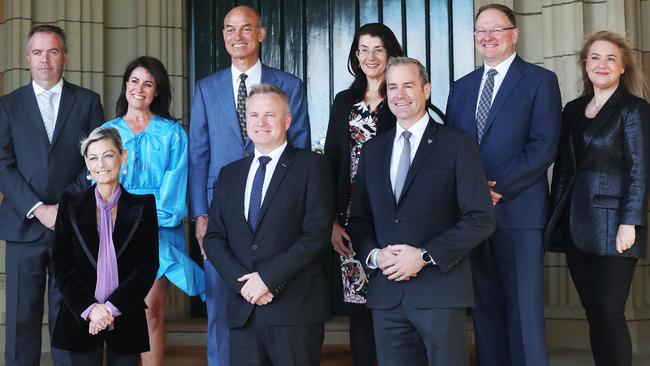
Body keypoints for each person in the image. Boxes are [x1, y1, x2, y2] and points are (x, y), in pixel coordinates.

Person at [348, 56, 495, 366]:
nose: (399, 95)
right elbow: (359, 218)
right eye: (392, 88)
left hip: (439, 293)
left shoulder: (457, 144)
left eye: (408, 86)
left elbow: (480, 219)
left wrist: (424, 255)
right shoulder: (374, 150)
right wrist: (374, 255)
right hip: (386, 296)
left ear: (426, 90)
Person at [188, 5, 311, 365]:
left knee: (275, 299)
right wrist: (199, 214)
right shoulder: (206, 88)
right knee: (221, 306)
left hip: (276, 211)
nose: (236, 36)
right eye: (229, 29)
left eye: (246, 29)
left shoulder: (290, 84)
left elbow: (300, 148)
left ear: (261, 34)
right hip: (220, 217)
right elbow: (198, 155)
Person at [445, 4, 562, 365]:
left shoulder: (540, 81)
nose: (488, 37)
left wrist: (495, 188)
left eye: (496, 29)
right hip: (473, 218)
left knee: (524, 314)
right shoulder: (462, 87)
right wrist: (473, 195)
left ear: (515, 34)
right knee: (486, 312)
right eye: (481, 30)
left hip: (519, 213)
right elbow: (451, 150)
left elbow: (544, 146)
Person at [203, 84, 333, 366]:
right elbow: (213, 238)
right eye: (253, 115)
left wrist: (267, 279)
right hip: (243, 311)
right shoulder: (229, 175)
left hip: (295, 312)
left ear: (287, 120)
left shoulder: (312, 167)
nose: (260, 123)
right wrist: (245, 286)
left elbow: (316, 235)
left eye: (270, 115)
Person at [0, 24, 104, 366]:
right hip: (23, 227)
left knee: (71, 316)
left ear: (65, 57)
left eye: (53, 51)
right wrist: (37, 208)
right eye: (37, 52)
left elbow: (95, 163)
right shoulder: (8, 106)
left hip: (71, 226)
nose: (45, 59)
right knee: (20, 320)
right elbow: (3, 164)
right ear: (27, 58)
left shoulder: (88, 102)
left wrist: (62, 208)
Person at [545, 31, 650, 366]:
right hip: (576, 225)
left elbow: (640, 169)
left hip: (616, 227)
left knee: (609, 313)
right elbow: (563, 169)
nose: (601, 65)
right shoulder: (573, 110)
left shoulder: (634, 109)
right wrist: (554, 219)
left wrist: (629, 221)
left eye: (610, 59)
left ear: (622, 68)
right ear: (585, 65)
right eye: (594, 58)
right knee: (594, 313)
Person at [103, 56, 205, 366]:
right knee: (116, 315)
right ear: (125, 86)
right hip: (115, 236)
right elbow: (101, 187)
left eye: (148, 83)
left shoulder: (172, 134)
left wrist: (139, 222)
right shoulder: (107, 132)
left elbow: (174, 193)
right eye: (134, 81)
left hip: (157, 236)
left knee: (150, 315)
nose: (139, 88)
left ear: (157, 91)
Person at [323, 22, 403, 366]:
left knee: (394, 301)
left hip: (394, 213)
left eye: (378, 49)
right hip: (351, 218)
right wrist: (330, 221)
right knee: (361, 307)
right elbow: (331, 161)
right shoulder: (345, 101)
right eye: (363, 49)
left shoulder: (402, 96)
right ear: (356, 56)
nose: (370, 57)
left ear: (390, 53)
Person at [50, 126, 159, 365]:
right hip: (80, 319)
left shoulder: (144, 206)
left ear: (123, 156)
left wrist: (111, 309)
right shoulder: (70, 204)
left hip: (126, 317)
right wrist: (92, 310)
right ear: (87, 165)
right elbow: (61, 264)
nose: (101, 163)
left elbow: (147, 266)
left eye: (108, 155)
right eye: (93, 158)